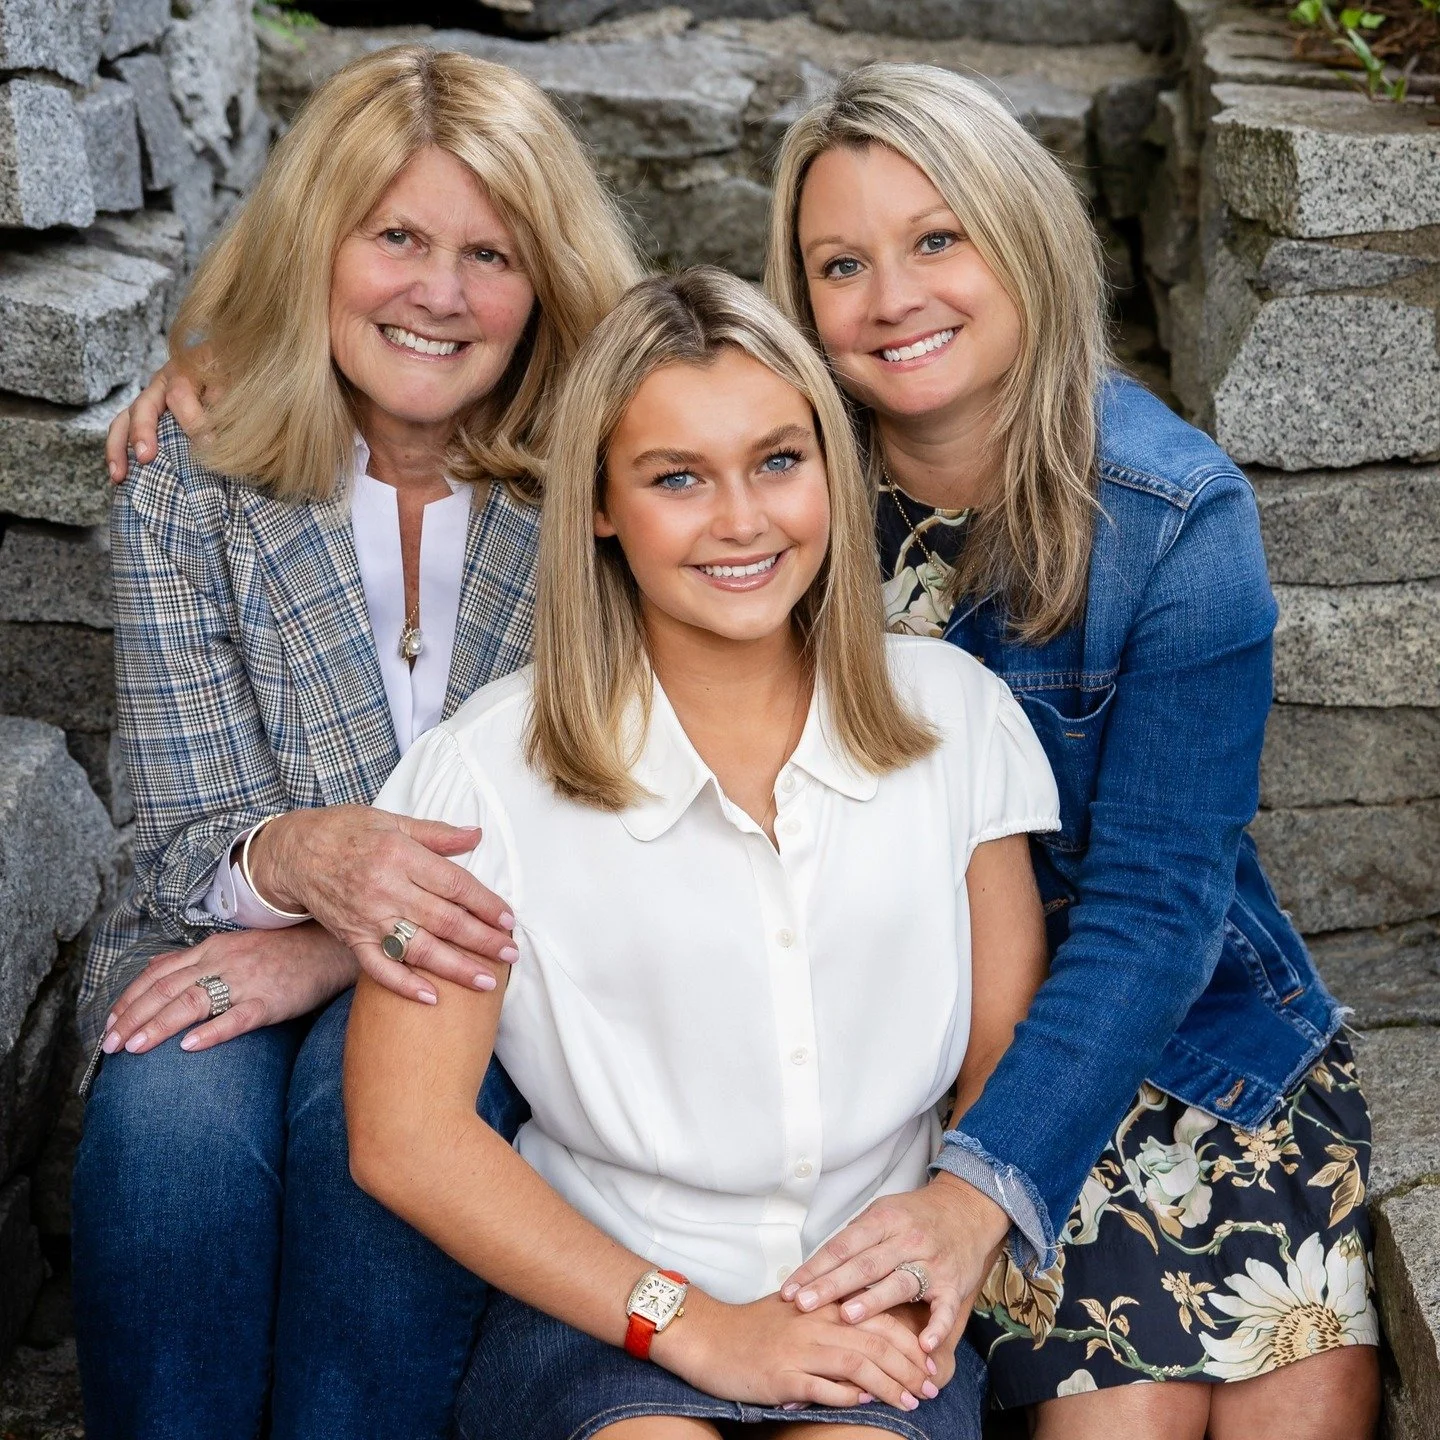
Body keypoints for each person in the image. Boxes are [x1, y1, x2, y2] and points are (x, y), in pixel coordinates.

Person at [761, 63, 1379, 1440]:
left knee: (1305, 1399)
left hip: (1190, 1036)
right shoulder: (777, 500)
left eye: (937, 239)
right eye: (841, 264)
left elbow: (1161, 907)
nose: (892, 297)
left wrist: (980, 1187)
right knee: (1125, 1422)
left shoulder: (1170, 514)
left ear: (1023, 234)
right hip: (942, 1057)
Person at [344, 265, 1061, 1440]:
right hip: (604, 1304)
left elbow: (1003, 1051)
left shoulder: (958, 721)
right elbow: (404, 1135)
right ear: (599, 504)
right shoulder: (485, 776)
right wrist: (697, 1328)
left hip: (870, 1304)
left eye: (778, 461)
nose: (741, 520)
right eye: (677, 477)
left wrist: (941, 1242)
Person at [73, 44, 639, 1439]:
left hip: (501, 969)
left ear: (547, 282)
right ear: (316, 245)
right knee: (167, 1133)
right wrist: (301, 866)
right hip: (214, 923)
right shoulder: (192, 474)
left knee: (374, 1125)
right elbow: (179, 841)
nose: (439, 293)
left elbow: (617, 819)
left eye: (489, 254)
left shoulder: (611, 487)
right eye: (396, 238)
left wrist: (338, 944)